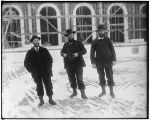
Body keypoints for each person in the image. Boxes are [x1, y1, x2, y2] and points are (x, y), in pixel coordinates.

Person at [24, 35, 56, 106]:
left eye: (37, 41)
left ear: (39, 41)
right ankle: (41, 101)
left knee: (49, 85)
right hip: (36, 73)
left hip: (45, 71)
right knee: (39, 86)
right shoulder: (30, 52)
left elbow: (50, 60)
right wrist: (31, 70)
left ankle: (50, 99)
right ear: (32, 42)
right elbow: (26, 63)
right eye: (35, 41)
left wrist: (48, 67)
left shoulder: (44, 50)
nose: (36, 42)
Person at [90, 24, 116, 98]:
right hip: (99, 62)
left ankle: (111, 92)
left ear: (104, 31)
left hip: (108, 61)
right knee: (101, 76)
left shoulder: (108, 40)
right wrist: (93, 62)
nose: (102, 32)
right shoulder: (94, 41)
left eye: (103, 31)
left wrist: (113, 59)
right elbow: (92, 53)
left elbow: (112, 50)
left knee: (110, 76)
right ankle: (103, 91)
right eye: (100, 31)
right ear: (97, 32)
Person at [61, 29, 88, 99]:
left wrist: (78, 54)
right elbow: (62, 52)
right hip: (68, 65)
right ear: (67, 37)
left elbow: (84, 51)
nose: (71, 36)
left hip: (78, 64)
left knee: (79, 78)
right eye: (70, 35)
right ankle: (74, 92)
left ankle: (83, 93)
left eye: (72, 35)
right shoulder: (65, 45)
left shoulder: (78, 43)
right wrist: (64, 54)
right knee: (71, 79)